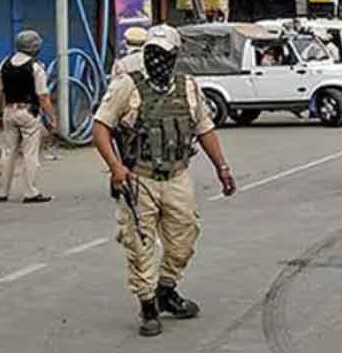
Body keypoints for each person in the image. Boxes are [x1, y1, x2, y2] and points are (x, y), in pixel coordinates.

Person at [92, 24, 237, 338]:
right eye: (152, 52)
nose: (157, 58)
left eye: (164, 53)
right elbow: (100, 127)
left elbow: (204, 129)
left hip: (177, 176)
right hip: (139, 178)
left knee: (184, 238)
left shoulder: (188, 87)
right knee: (140, 243)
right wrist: (116, 168)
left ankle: (166, 289)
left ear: (175, 55)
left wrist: (222, 168)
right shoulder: (127, 85)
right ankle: (147, 306)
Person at [0, 30, 58, 204]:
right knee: (30, 153)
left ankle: (2, 192)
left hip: (8, 111)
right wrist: (52, 118)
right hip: (28, 112)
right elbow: (43, 96)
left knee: (8, 152)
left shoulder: (4, 64)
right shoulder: (36, 67)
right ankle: (31, 192)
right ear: (35, 48)